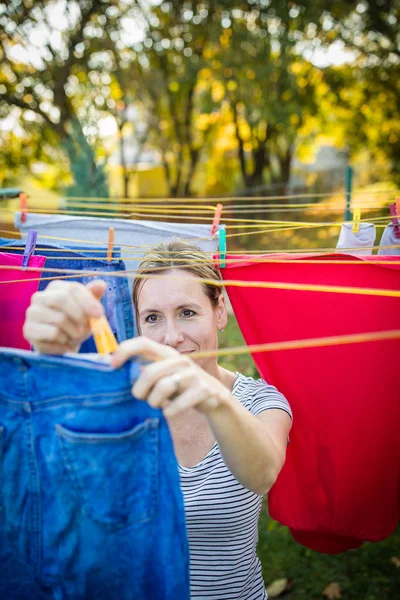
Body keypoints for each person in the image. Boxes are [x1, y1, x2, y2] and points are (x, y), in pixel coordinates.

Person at [24, 239, 292, 600]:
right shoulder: (120, 402)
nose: (171, 338)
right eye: (152, 318)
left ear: (220, 311)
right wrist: (52, 360)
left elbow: (263, 473)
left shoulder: (260, 400)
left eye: (187, 312)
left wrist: (214, 400)